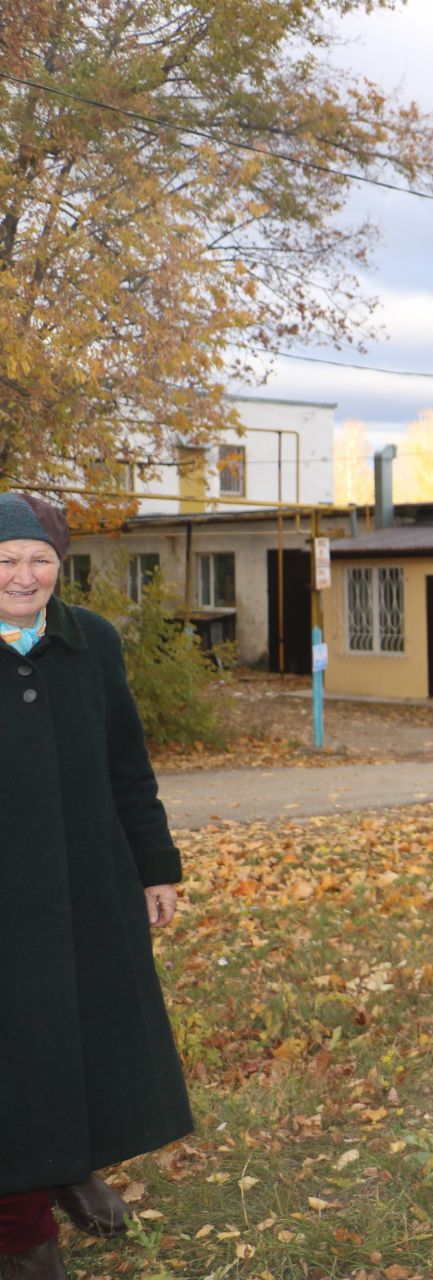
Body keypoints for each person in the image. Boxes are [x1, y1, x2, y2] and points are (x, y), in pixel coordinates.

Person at [0, 493, 193, 1280]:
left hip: (87, 884)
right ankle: (23, 1231)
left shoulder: (94, 644)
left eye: (39, 559)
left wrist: (157, 866)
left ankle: (69, 1163)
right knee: (16, 1052)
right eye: (7, 560)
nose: (23, 575)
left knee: (81, 1036)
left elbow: (127, 766)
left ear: (60, 566)